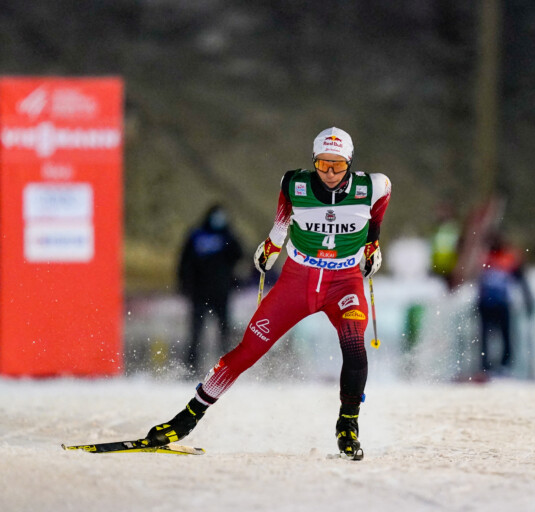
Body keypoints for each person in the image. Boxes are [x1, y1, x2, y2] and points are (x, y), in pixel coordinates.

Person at [144, 127, 391, 460]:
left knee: (355, 348)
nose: (330, 173)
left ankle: (348, 424)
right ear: (313, 161)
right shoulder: (294, 184)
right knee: (248, 350)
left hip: (344, 283)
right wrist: (272, 246)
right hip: (298, 282)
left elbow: (379, 208)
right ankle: (187, 417)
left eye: (338, 166)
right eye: (323, 164)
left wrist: (372, 244)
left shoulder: (374, 186)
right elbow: (282, 221)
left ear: (350, 162)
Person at [177, 204, 243, 377]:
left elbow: (239, 255)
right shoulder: (196, 235)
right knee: (196, 333)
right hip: (199, 292)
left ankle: (227, 369)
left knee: (224, 332)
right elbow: (184, 262)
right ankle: (191, 368)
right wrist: (184, 284)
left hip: (221, 293)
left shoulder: (227, 236)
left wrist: (229, 235)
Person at [477, 232, 535, 375]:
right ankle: (485, 366)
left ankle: (505, 365)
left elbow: (521, 279)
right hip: (485, 303)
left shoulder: (508, 257)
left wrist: (528, 299)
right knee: (485, 337)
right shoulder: (483, 256)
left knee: (506, 336)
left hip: (502, 303)